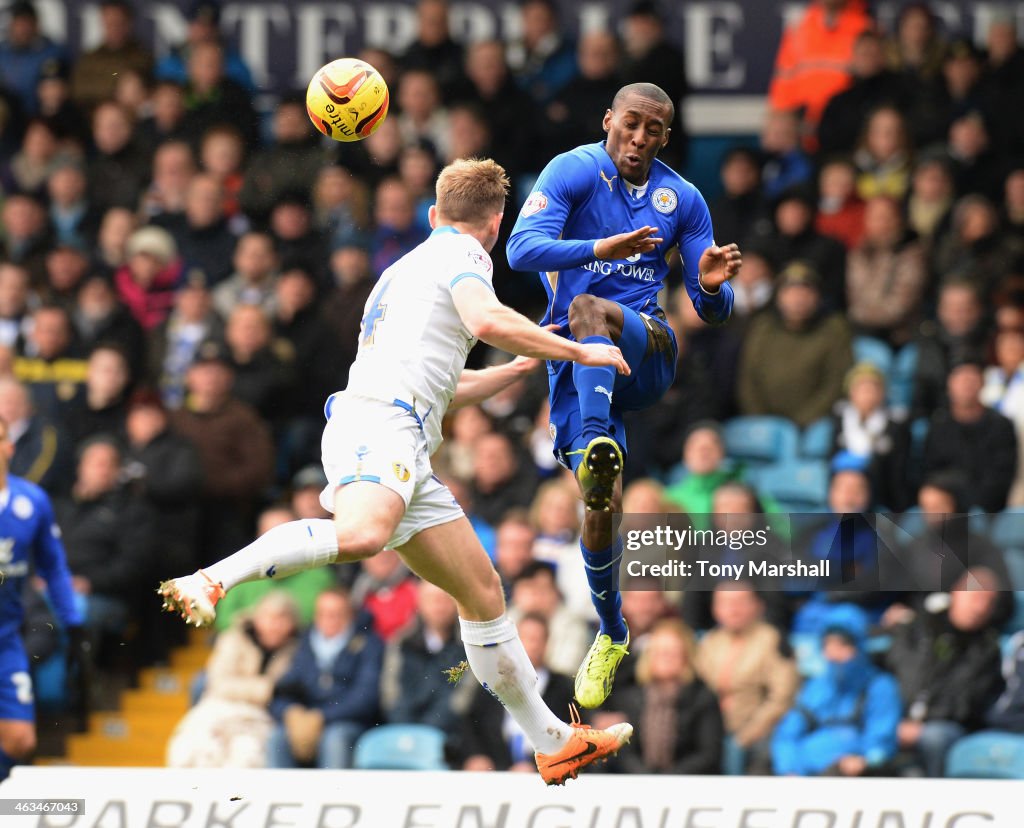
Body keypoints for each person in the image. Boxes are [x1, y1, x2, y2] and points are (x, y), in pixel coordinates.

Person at [159, 157, 633, 785]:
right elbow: (490, 323)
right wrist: (579, 348)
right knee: (362, 536)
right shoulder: (467, 258)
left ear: (434, 214)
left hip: (401, 433)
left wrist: (515, 372)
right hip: (380, 429)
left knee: (482, 593)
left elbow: (438, 384)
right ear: (495, 226)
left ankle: (551, 742)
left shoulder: (403, 270)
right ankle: (211, 580)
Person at [506, 82, 741, 709]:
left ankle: (597, 438)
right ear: (608, 119)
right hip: (576, 360)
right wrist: (598, 247)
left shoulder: (682, 199)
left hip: (646, 346)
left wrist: (714, 290)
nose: (639, 138)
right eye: (631, 124)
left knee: (589, 306)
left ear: (666, 136)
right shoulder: (573, 171)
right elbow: (521, 249)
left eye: (654, 130)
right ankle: (611, 631)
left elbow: (711, 307)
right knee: (599, 504)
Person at [0, 415, 83, 781]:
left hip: (6, 640)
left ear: (8, 446)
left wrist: (73, 620)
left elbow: (54, 567)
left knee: (20, 740)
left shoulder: (31, 501)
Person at [166, 590, 299, 768]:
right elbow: (219, 683)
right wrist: (266, 689)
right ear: (257, 617)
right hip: (219, 708)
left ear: (292, 624)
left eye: (282, 619)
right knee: (189, 749)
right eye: (269, 617)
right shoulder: (234, 637)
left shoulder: (297, 650)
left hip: (258, 719)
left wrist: (250, 689)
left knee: (246, 756)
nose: (275, 625)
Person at [772, 604, 901, 777]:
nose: (835, 653)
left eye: (843, 645)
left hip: (852, 773)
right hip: (806, 772)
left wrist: (867, 759)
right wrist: (789, 768)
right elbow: (788, 733)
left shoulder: (879, 686)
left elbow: (881, 738)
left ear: (859, 647)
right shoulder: (816, 686)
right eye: (829, 645)